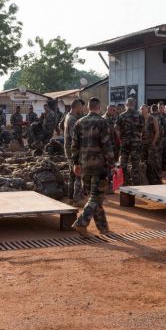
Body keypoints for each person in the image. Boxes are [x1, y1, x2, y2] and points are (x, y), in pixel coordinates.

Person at [71, 98, 115, 236]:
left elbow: (74, 146)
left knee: (94, 197)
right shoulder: (103, 123)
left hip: (84, 166)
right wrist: (112, 164)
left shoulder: (79, 123)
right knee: (96, 197)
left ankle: (103, 228)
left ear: (89, 107)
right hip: (99, 166)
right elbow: (107, 146)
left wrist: (76, 163)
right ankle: (81, 222)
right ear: (99, 107)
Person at [116, 97, 143, 185]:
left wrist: (120, 139)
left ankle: (125, 181)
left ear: (126, 105)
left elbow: (117, 130)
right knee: (135, 163)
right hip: (136, 142)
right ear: (134, 105)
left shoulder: (121, 115)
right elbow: (142, 129)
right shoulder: (139, 115)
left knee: (123, 162)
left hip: (125, 142)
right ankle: (135, 183)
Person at [64, 98, 84, 205]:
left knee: (72, 174)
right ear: (76, 107)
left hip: (68, 149)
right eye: (80, 108)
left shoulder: (67, 116)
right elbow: (75, 137)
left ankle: (70, 197)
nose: (82, 110)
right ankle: (77, 199)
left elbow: (60, 127)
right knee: (78, 174)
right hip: (73, 151)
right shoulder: (72, 120)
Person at [140, 104, 161, 184]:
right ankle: (145, 180)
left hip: (150, 144)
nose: (141, 110)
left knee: (152, 162)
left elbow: (157, 131)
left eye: (143, 109)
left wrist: (153, 142)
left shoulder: (153, 118)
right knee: (143, 161)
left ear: (147, 110)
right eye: (141, 109)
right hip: (142, 144)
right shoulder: (140, 119)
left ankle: (155, 179)